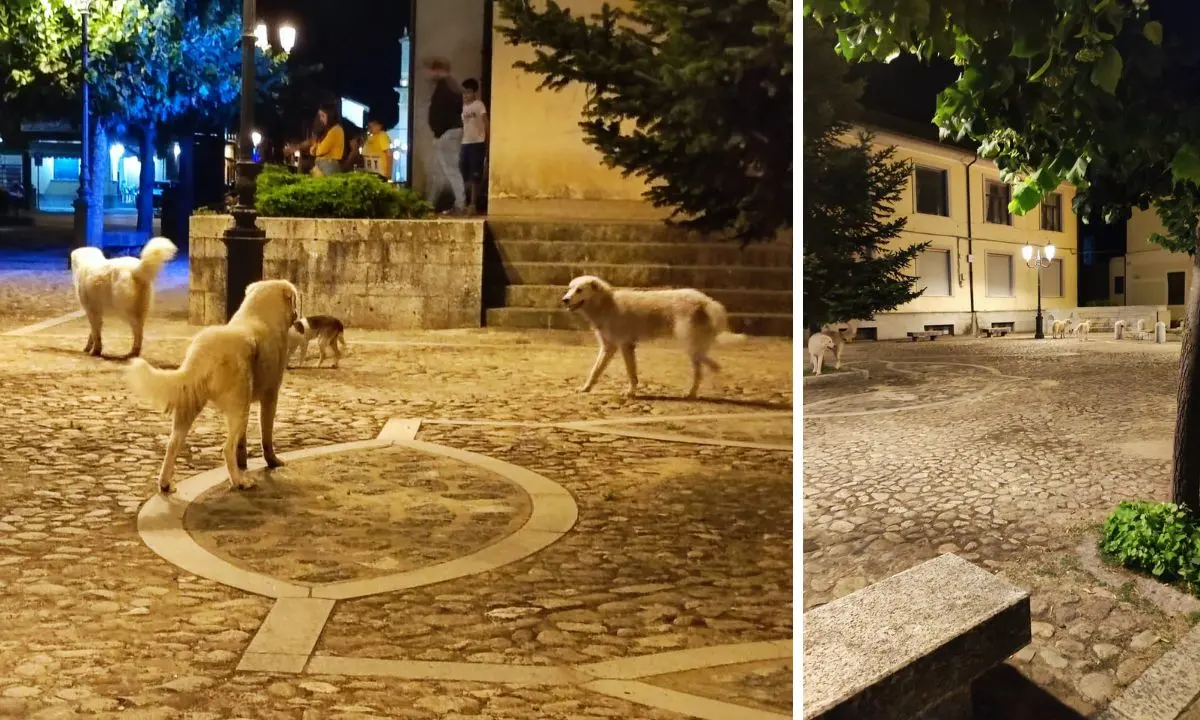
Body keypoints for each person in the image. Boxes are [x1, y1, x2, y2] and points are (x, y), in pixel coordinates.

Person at [425, 58, 465, 213]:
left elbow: (442, 112)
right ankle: (429, 204)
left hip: (447, 134)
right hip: (444, 134)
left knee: (450, 169)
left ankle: (460, 205)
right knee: (437, 172)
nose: (429, 74)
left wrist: (439, 132)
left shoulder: (446, 86)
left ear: (439, 70)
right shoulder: (449, 85)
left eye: (432, 70)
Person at [460, 78, 488, 214]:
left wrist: (487, 140)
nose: (465, 95)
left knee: (475, 175)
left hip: (477, 143)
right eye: (464, 93)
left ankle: (472, 204)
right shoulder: (464, 107)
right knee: (464, 172)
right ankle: (464, 201)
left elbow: (485, 121)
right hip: (465, 143)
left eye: (468, 92)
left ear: (474, 93)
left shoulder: (479, 105)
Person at [311, 103, 345, 176]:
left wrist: (316, 148)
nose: (320, 119)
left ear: (330, 115)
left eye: (323, 116)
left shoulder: (335, 130)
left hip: (329, 166)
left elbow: (321, 151)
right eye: (320, 116)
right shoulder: (330, 130)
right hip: (325, 165)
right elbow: (315, 150)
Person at [362, 112, 394, 180]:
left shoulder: (382, 135)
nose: (371, 126)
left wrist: (389, 174)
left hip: (380, 175)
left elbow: (389, 155)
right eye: (370, 124)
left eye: (374, 124)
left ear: (380, 125)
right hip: (370, 174)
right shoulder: (369, 137)